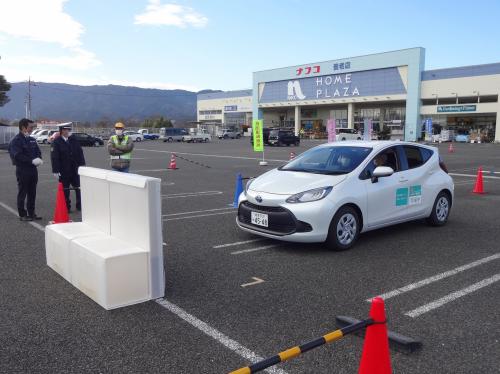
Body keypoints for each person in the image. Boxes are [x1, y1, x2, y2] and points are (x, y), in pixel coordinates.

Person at [8, 118, 43, 221]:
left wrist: (39, 159)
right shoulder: (16, 141)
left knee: (32, 192)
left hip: (33, 170)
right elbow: (17, 155)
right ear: (23, 127)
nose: (32, 129)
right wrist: (31, 161)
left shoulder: (32, 139)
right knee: (23, 192)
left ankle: (31, 213)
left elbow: (38, 151)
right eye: (30, 127)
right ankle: (22, 215)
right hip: (23, 170)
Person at [51, 124, 86, 212]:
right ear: (61, 131)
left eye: (68, 130)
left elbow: (80, 153)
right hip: (64, 170)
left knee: (78, 188)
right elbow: (55, 157)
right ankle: (66, 206)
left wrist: (82, 166)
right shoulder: (57, 142)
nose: (67, 131)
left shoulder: (73, 140)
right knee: (65, 190)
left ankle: (80, 205)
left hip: (74, 169)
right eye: (65, 130)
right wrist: (55, 170)